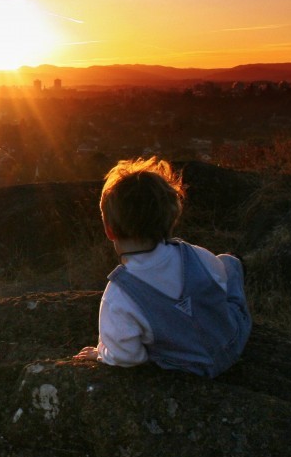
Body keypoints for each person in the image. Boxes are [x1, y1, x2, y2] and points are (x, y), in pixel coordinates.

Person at [73, 157, 251, 378]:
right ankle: (236, 263)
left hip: (187, 367)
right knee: (228, 263)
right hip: (233, 341)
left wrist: (101, 352)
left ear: (109, 231)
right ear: (171, 219)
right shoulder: (195, 254)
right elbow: (219, 287)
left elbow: (127, 357)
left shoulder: (119, 295)